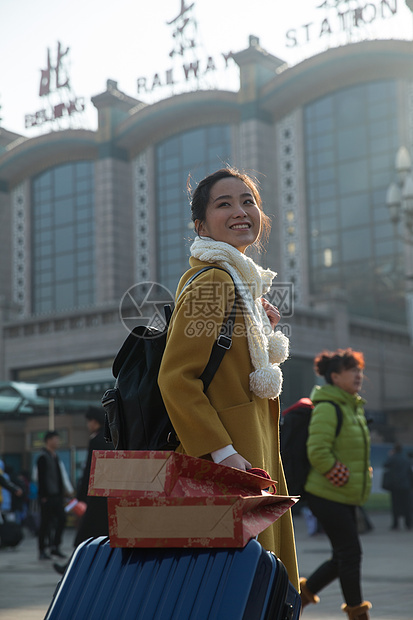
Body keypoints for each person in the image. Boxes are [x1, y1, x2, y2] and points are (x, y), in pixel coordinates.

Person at [158, 167, 299, 591]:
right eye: (224, 204)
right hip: (231, 462)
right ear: (200, 225)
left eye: (248, 201)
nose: (241, 211)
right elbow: (176, 378)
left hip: (249, 454)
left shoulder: (241, 285)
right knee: (241, 591)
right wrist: (222, 453)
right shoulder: (216, 281)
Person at [299, 348, 372, 620]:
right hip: (327, 494)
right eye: (352, 370)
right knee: (351, 554)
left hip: (344, 495)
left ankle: (299, 598)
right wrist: (342, 474)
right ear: (335, 376)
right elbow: (317, 450)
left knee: (341, 556)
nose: (359, 375)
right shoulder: (329, 406)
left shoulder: (351, 406)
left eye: (360, 370)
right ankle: (357, 613)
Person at [53, 406, 114, 574]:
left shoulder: (96, 440)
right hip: (109, 495)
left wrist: (81, 496)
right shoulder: (110, 438)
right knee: (104, 533)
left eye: (89, 421)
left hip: (96, 497)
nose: (88, 425)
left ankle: (72, 567)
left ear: (94, 422)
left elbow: (90, 470)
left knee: (85, 534)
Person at [36, 430, 74, 560]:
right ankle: (42, 549)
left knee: (62, 519)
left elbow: (59, 477)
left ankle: (55, 546)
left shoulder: (55, 457)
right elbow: (41, 479)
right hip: (47, 497)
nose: (57, 442)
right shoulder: (42, 457)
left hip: (57, 496)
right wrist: (43, 496)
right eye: (55, 439)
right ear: (49, 441)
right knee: (45, 524)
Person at [383, 443, 413, 531]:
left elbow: (385, 465)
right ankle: (408, 523)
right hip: (405, 485)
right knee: (407, 504)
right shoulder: (406, 459)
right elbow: (409, 472)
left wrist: (390, 455)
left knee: (395, 505)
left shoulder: (392, 458)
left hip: (395, 485)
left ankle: (395, 524)